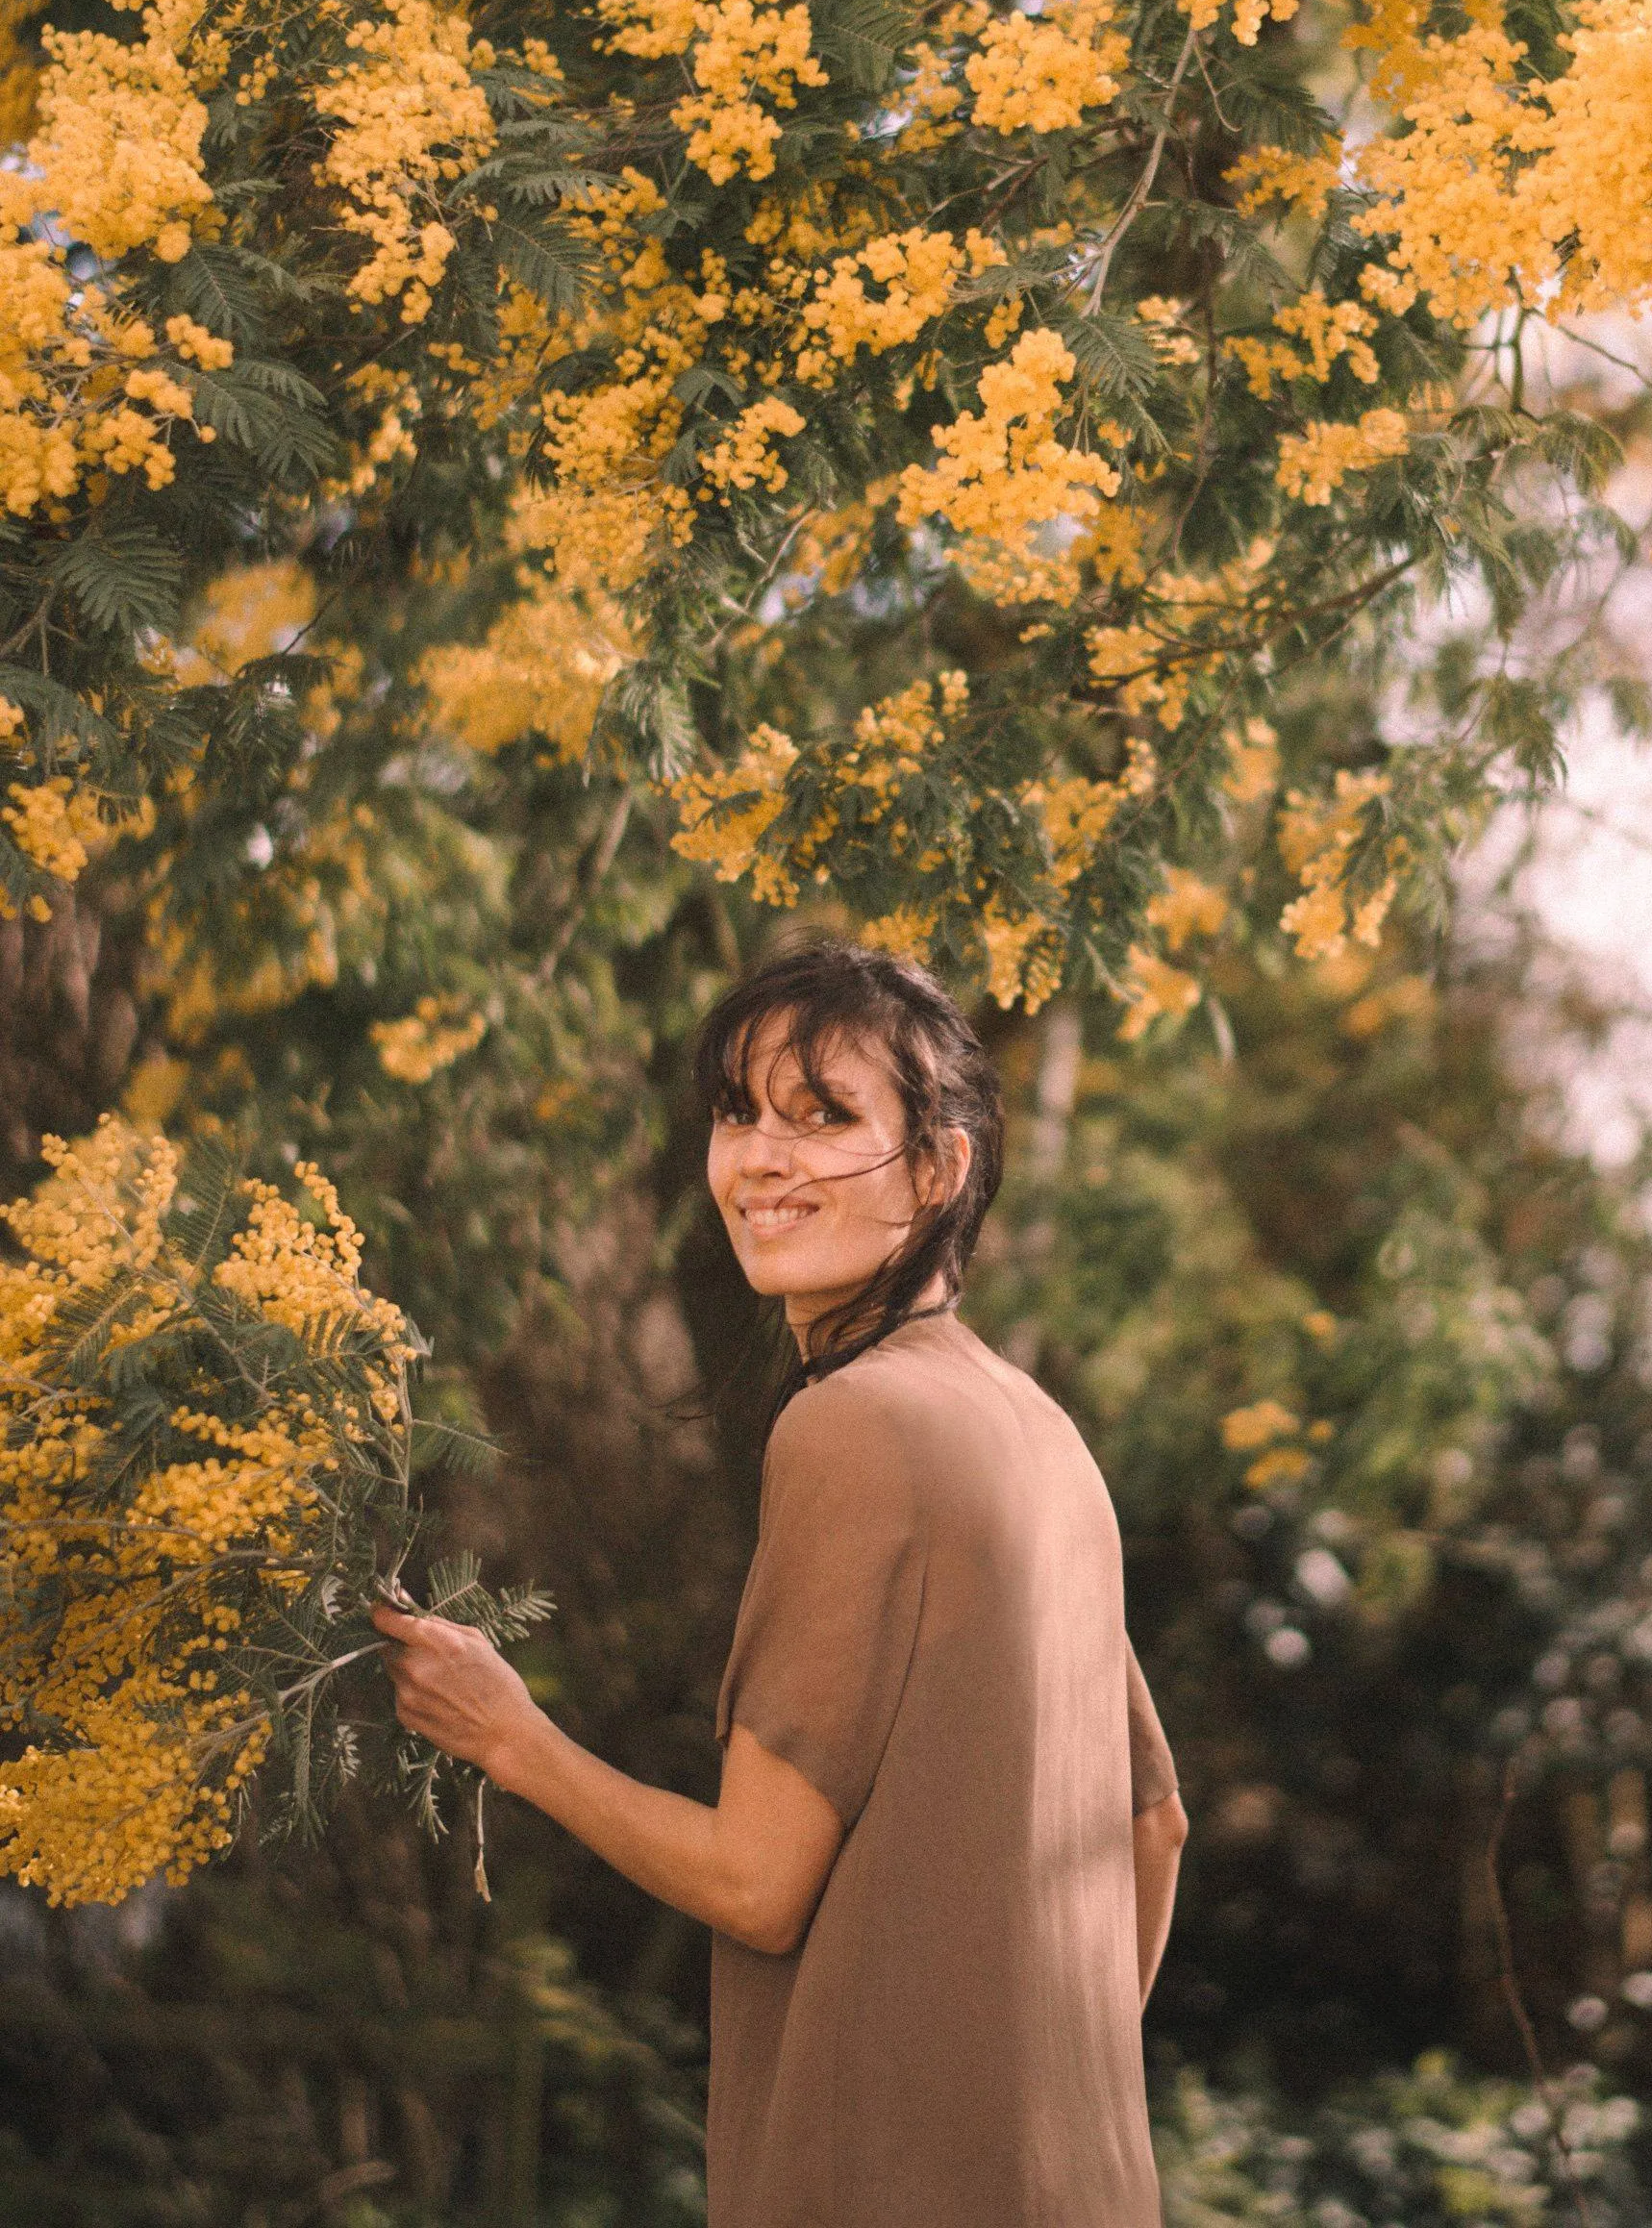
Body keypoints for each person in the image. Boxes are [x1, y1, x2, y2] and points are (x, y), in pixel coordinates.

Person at [374, 935, 1189, 2226]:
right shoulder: (1038, 1431)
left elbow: (758, 1885)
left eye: (825, 1118)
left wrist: (510, 1737)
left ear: (937, 1169)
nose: (762, 1156)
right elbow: (1154, 1829)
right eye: (739, 1112)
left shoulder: (852, 1423)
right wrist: (1024, 2096)